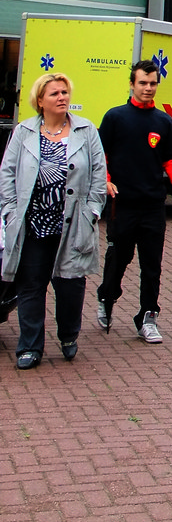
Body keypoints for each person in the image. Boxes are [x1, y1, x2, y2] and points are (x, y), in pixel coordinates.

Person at [0, 73, 106, 369]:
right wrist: (10, 211)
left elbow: (99, 174)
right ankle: (29, 347)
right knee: (30, 286)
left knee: (70, 286)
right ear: (40, 101)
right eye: (55, 93)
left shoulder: (86, 130)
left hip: (72, 225)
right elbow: (7, 172)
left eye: (64, 92)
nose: (62, 97)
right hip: (32, 225)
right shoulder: (23, 131)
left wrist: (93, 211)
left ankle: (68, 336)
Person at [96, 61, 172, 343]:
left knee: (152, 265)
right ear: (132, 84)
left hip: (153, 205)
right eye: (142, 83)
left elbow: (171, 162)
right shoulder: (115, 117)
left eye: (153, 83)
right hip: (122, 205)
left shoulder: (163, 122)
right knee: (118, 260)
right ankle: (106, 297)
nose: (148, 88)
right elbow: (101, 158)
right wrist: (106, 181)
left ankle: (148, 317)